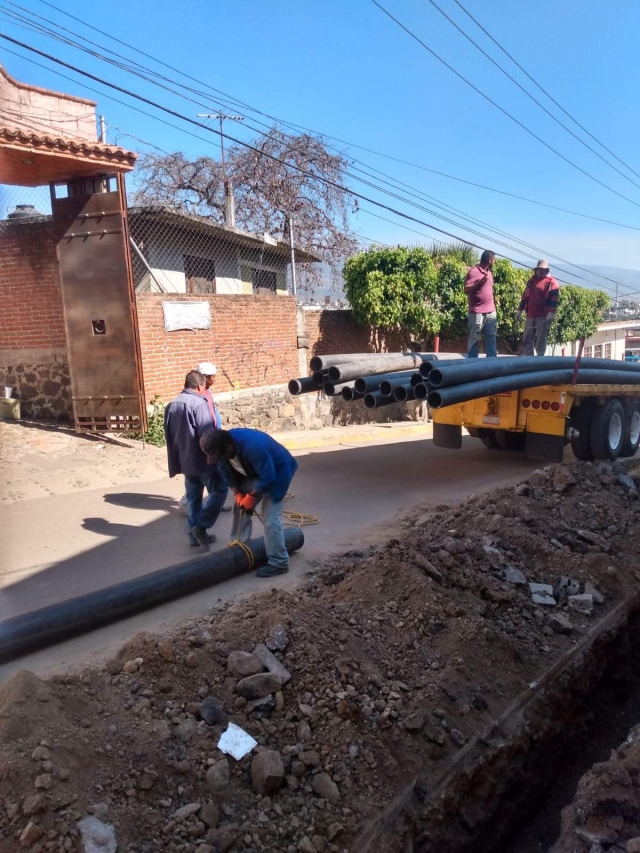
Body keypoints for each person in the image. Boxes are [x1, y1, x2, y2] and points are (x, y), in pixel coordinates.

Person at [200, 427, 298, 579]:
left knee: (270, 519)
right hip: (255, 471)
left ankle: (279, 562)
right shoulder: (222, 451)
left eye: (220, 455)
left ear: (227, 448)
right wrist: (238, 493)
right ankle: (240, 545)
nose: (219, 458)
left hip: (278, 472)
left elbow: (268, 477)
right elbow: (226, 473)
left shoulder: (253, 446)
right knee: (239, 507)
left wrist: (251, 497)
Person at [164, 371, 228, 550]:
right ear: (200, 385)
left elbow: (170, 436)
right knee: (220, 490)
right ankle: (200, 527)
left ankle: (195, 536)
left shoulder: (172, 404)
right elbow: (207, 435)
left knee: (193, 498)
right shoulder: (199, 404)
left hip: (184, 460)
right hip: (203, 460)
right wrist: (216, 457)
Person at [177, 361, 230, 517]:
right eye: (213, 377)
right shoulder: (197, 397)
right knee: (201, 481)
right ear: (205, 378)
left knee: (207, 479)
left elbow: (213, 413)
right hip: (205, 442)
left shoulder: (207, 392)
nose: (215, 380)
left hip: (212, 436)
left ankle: (211, 505)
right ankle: (189, 506)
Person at [518, 260, 560, 357]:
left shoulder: (552, 282)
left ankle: (540, 357)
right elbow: (525, 296)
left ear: (546, 271)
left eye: (543, 270)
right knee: (527, 338)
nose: (540, 272)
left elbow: (554, 299)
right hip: (530, 314)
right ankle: (529, 357)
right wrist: (519, 311)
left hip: (543, 316)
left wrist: (551, 312)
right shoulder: (531, 281)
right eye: (539, 270)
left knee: (541, 338)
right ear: (536, 270)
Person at [465, 250, 497, 359]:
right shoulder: (473, 272)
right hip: (477, 312)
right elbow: (466, 290)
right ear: (489, 260)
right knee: (474, 338)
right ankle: (472, 363)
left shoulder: (489, 272)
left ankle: (491, 361)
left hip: (490, 311)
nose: (494, 261)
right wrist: (478, 284)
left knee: (491, 336)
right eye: (494, 259)